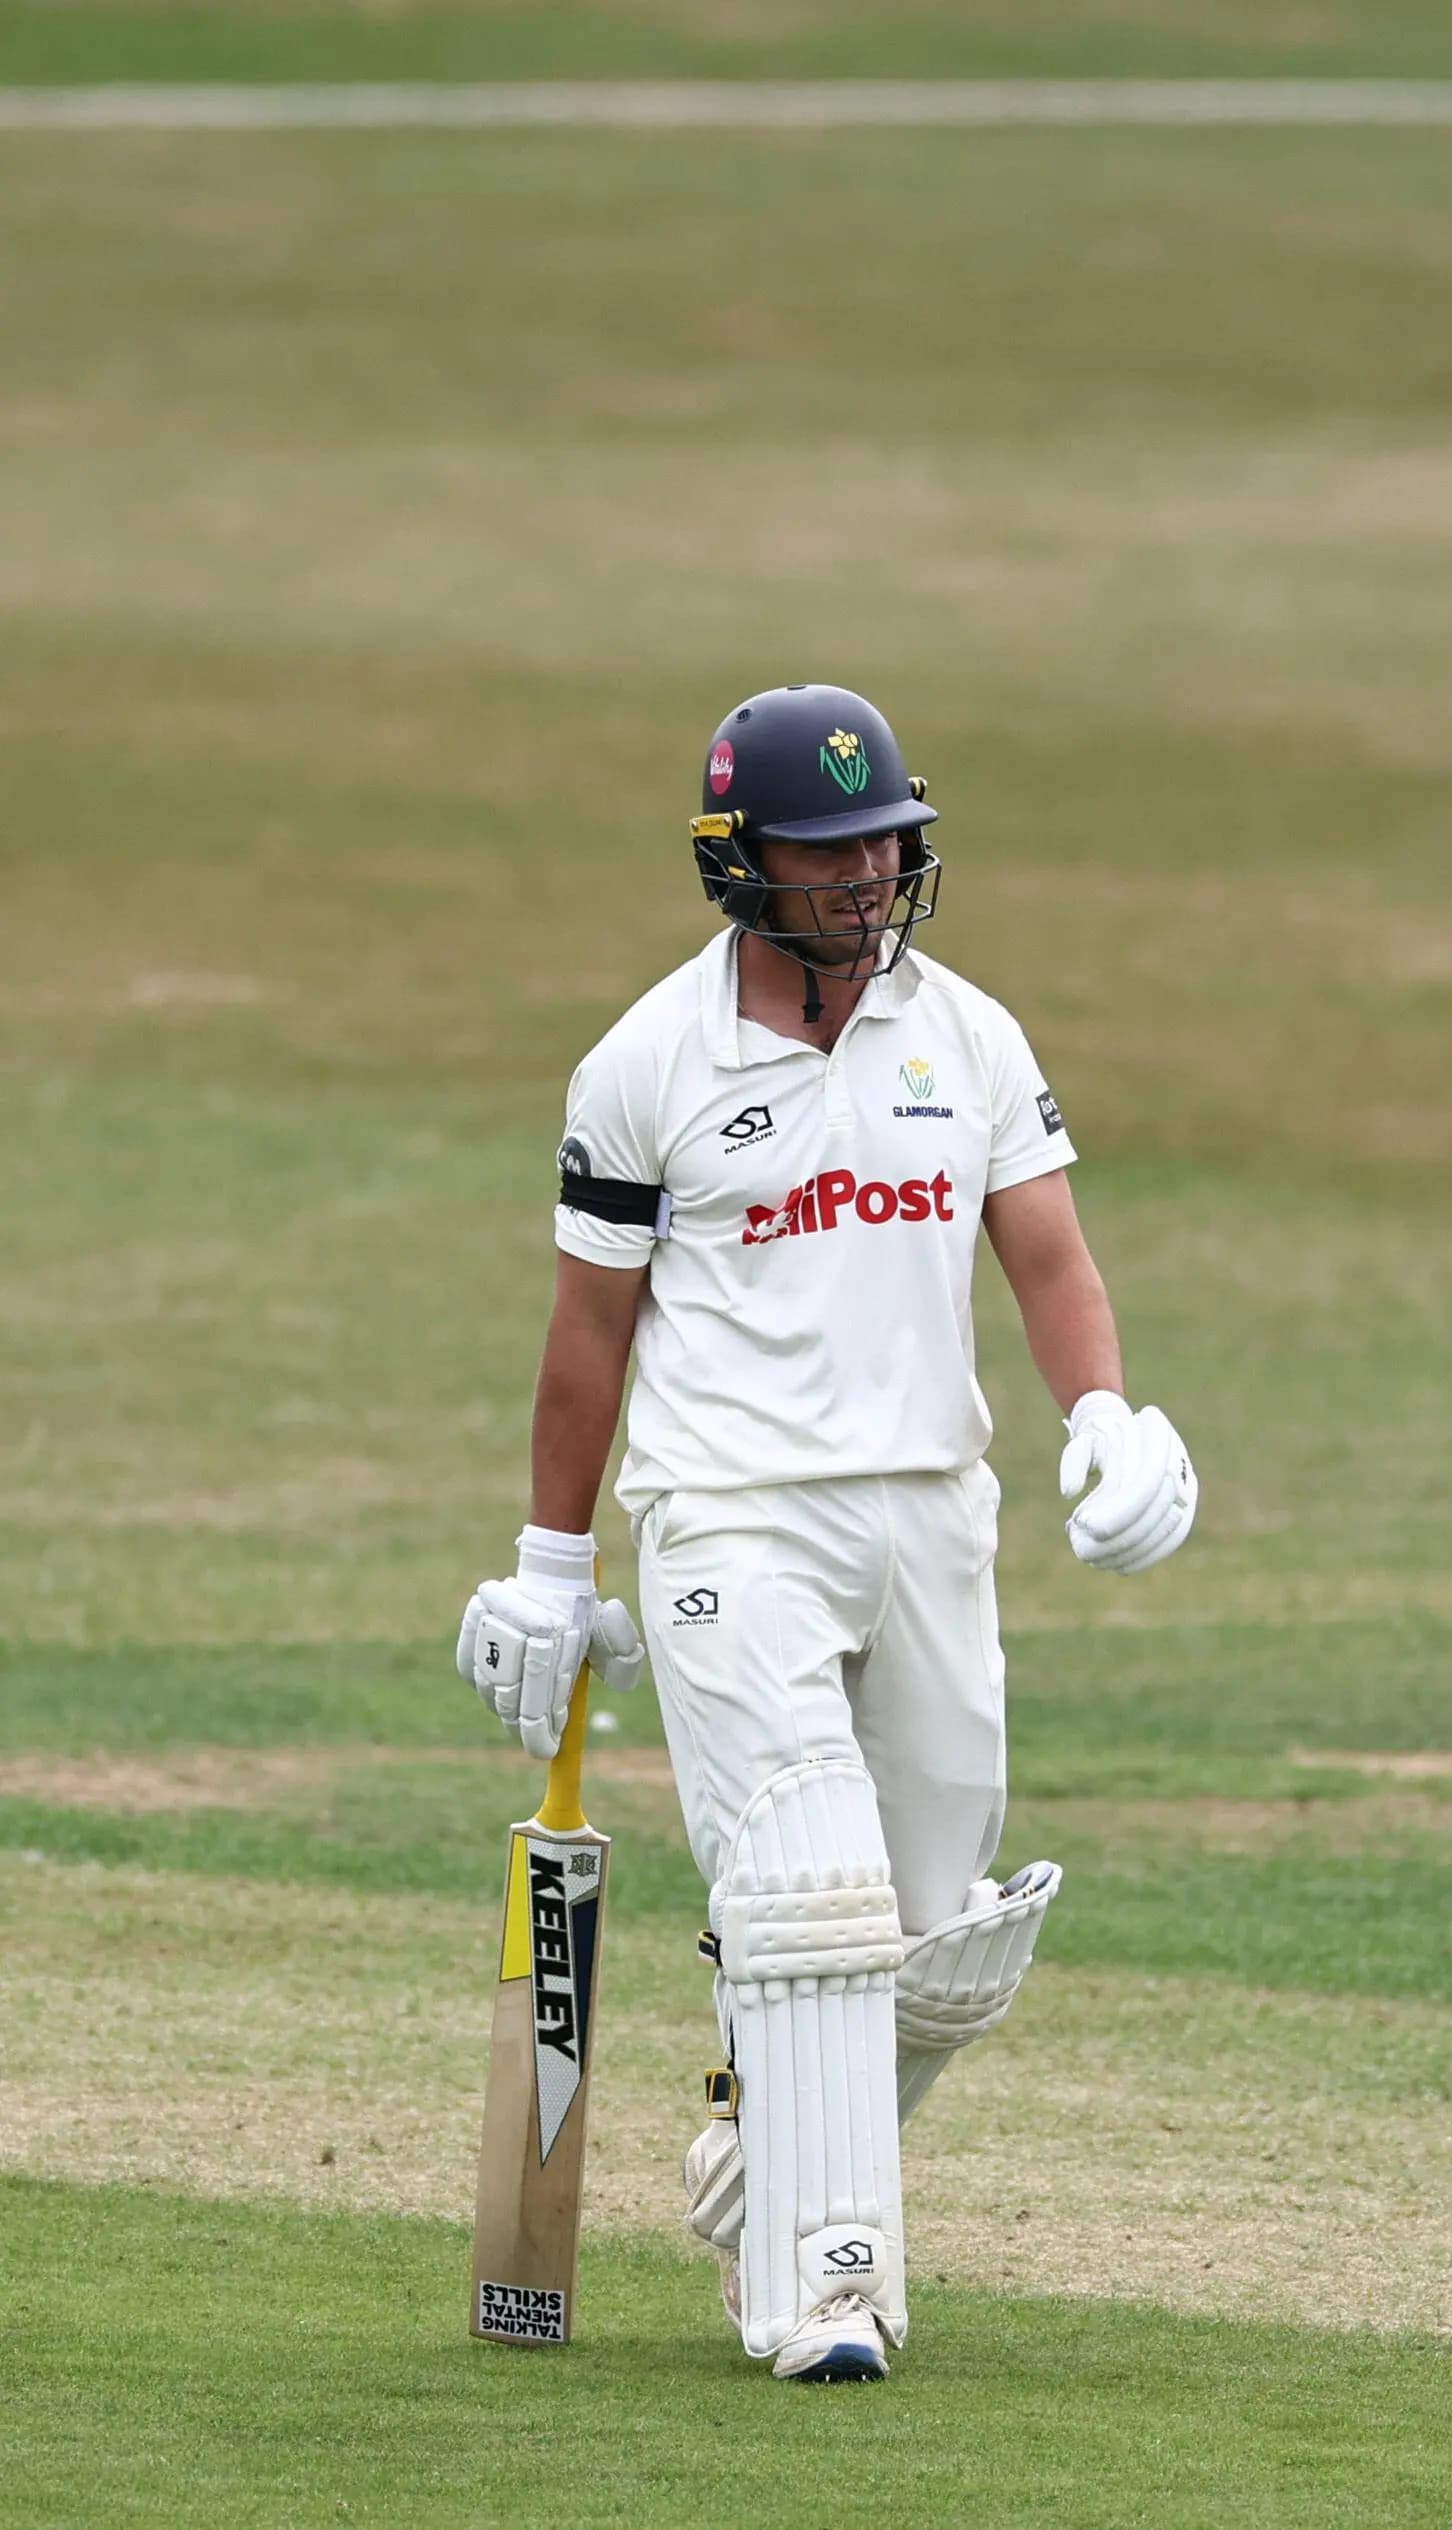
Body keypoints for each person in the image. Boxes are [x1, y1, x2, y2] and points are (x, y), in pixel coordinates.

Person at [452, 684, 1197, 2379]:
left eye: (888, 844)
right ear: (741, 862)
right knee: (805, 1895)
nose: (869, 876)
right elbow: (589, 1332)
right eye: (830, 848)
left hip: (932, 1512)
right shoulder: (646, 1065)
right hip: (732, 1518)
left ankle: (763, 2149)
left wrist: (1105, 1415)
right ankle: (820, 2291)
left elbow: (1052, 1254)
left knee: (942, 1936)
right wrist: (553, 1564)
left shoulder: (971, 1035)